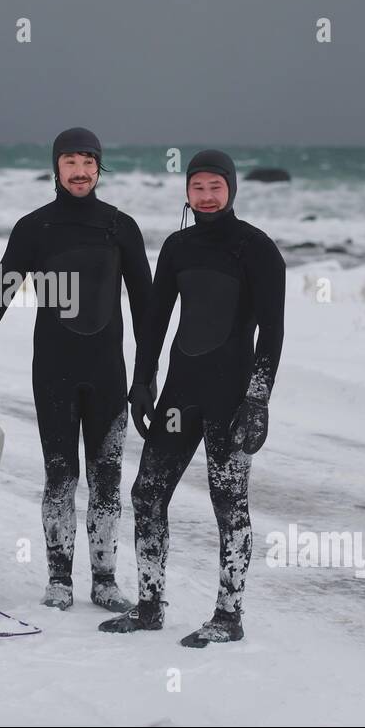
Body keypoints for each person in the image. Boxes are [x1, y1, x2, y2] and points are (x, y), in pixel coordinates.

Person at [0, 128, 152, 611]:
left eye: (88, 162)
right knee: (59, 476)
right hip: (55, 372)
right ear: (56, 167)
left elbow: (147, 309)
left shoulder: (121, 227)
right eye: (70, 162)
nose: (80, 171)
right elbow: (0, 292)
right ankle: (59, 578)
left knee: (106, 479)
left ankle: (104, 580)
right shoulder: (34, 229)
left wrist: (145, 378)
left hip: (108, 375)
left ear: (99, 168)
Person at [99, 149, 285, 647]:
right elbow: (156, 322)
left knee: (230, 504)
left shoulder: (257, 249)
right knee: (147, 494)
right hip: (182, 394)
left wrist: (258, 399)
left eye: (215, 187)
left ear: (231, 189)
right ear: (187, 191)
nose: (206, 196)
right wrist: (143, 382)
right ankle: (150, 605)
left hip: (231, 399)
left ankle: (229, 616)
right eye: (197, 188)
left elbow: (272, 333)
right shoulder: (178, 247)